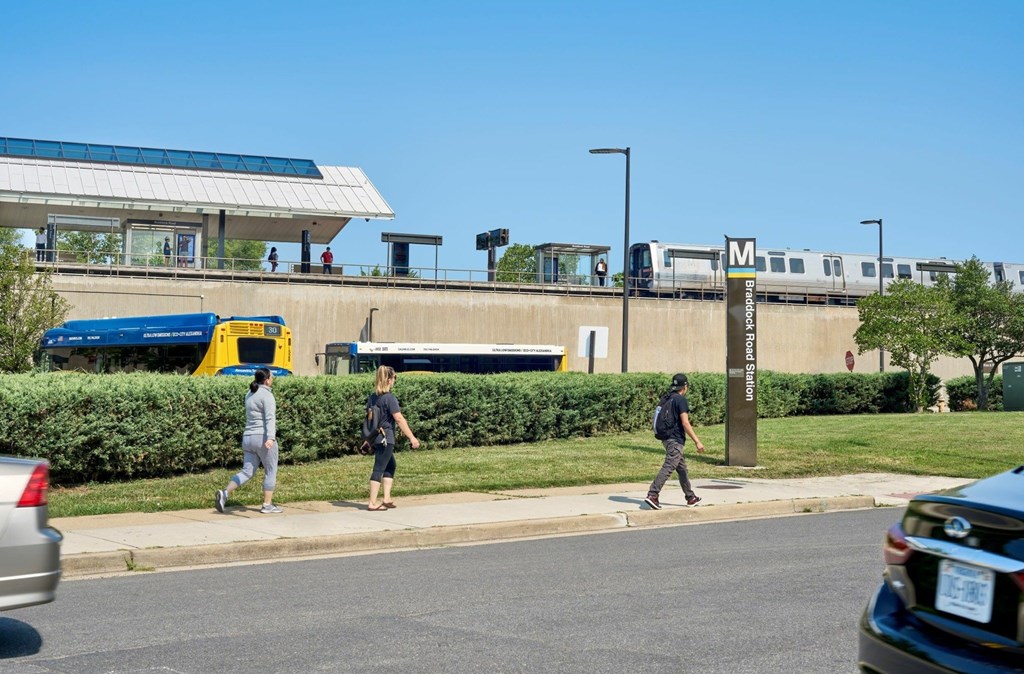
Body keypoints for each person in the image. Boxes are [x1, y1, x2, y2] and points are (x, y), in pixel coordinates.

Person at [215, 367, 283, 514]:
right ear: (267, 380)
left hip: (248, 437)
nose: (273, 379)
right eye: (272, 377)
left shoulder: (250, 394)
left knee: (247, 471)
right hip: (263, 437)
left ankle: (225, 493)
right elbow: (270, 418)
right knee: (270, 470)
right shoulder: (267, 395)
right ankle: (267, 505)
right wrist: (271, 438)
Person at [644, 373, 705, 510]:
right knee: (669, 466)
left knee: (682, 468)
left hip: (666, 438)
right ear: (685, 386)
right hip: (675, 440)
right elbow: (685, 423)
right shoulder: (680, 400)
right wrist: (697, 441)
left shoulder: (667, 397)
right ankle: (653, 494)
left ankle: (690, 497)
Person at [365, 365, 419, 511]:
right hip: (385, 438)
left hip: (375, 437)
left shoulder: (373, 397)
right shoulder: (390, 398)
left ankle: (387, 498)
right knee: (378, 468)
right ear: (389, 380)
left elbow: (369, 419)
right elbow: (399, 419)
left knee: (390, 465)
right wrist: (412, 437)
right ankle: (372, 503)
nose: (394, 380)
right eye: (394, 378)